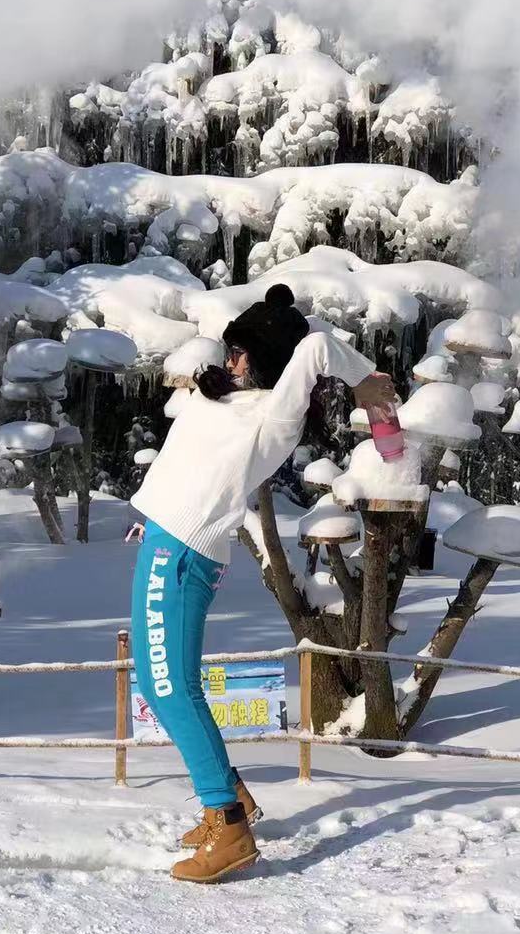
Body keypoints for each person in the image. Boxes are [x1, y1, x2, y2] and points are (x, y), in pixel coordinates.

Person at [127, 283, 395, 883]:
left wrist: (365, 380)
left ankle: (228, 825)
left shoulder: (276, 415)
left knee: (170, 688)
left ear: (259, 360)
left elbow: (319, 346)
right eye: (230, 352)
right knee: (159, 680)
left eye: (240, 353)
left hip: (182, 554)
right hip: (165, 545)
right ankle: (233, 797)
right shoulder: (226, 400)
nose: (230, 361)